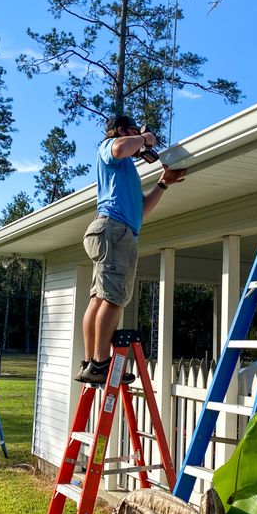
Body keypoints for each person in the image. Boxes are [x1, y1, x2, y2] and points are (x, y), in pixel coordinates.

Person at [78, 115, 186, 384]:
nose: (141, 140)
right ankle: (101, 363)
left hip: (111, 231)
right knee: (114, 298)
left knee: (99, 299)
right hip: (114, 231)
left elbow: (141, 210)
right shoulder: (110, 147)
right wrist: (145, 139)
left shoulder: (126, 172)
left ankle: (92, 362)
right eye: (134, 132)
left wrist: (163, 183)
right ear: (121, 131)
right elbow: (118, 148)